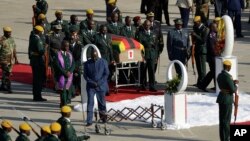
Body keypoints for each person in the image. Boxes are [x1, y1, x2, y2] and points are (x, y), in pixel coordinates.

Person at [84, 49, 109, 126]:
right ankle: (89, 121)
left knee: (102, 103)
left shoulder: (103, 62)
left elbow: (106, 74)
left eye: (96, 56)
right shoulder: (87, 64)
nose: (94, 58)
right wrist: (92, 82)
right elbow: (85, 75)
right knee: (90, 103)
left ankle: (103, 118)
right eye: (93, 56)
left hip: (101, 86)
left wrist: (99, 82)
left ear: (98, 55)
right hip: (91, 87)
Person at [217, 60, 239, 141]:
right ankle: (226, 138)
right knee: (226, 121)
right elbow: (233, 89)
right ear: (228, 67)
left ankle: (223, 138)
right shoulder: (228, 76)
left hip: (221, 98)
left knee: (222, 120)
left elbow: (223, 84)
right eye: (230, 67)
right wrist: (235, 84)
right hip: (227, 100)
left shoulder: (219, 75)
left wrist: (232, 82)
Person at [136, 20, 158, 92]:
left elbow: (156, 46)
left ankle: (152, 86)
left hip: (152, 54)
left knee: (151, 71)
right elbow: (139, 45)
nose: (147, 27)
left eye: (148, 25)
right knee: (143, 71)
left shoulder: (153, 33)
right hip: (144, 55)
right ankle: (143, 85)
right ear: (143, 25)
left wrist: (156, 56)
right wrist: (141, 56)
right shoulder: (140, 34)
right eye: (146, 25)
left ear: (150, 26)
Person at [28, 25, 47, 101]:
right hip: (38, 62)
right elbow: (41, 51)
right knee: (38, 80)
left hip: (34, 61)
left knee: (36, 79)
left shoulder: (32, 37)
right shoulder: (37, 40)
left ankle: (36, 95)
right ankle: (37, 96)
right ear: (38, 32)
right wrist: (45, 48)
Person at [54, 40, 75, 107]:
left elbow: (73, 64)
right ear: (62, 46)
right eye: (66, 46)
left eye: (68, 46)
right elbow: (57, 65)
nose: (67, 48)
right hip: (61, 76)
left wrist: (70, 71)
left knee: (68, 91)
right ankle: (64, 105)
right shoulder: (58, 54)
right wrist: (65, 72)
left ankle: (64, 103)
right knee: (63, 92)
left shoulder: (69, 54)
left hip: (69, 75)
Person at [199, 23, 218, 92]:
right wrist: (217, 53)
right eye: (216, 27)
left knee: (214, 72)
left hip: (213, 57)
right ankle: (203, 85)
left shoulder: (214, 34)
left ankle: (215, 86)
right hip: (212, 57)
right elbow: (212, 47)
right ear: (212, 28)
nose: (217, 28)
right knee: (213, 72)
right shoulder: (211, 35)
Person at [191, 16, 209, 87]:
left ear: (199, 22)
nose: (195, 24)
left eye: (196, 23)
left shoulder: (205, 29)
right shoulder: (195, 27)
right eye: (194, 23)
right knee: (198, 67)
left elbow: (203, 40)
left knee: (202, 68)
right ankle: (199, 82)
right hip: (196, 49)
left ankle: (203, 83)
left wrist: (195, 35)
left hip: (202, 50)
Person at [0, 27, 18, 93]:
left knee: (6, 73)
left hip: (11, 59)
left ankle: (2, 86)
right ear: (4, 32)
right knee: (7, 73)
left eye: (10, 32)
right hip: (3, 59)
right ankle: (9, 88)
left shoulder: (11, 39)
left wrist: (16, 58)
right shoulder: (1, 40)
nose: (9, 33)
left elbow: (14, 49)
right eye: (8, 32)